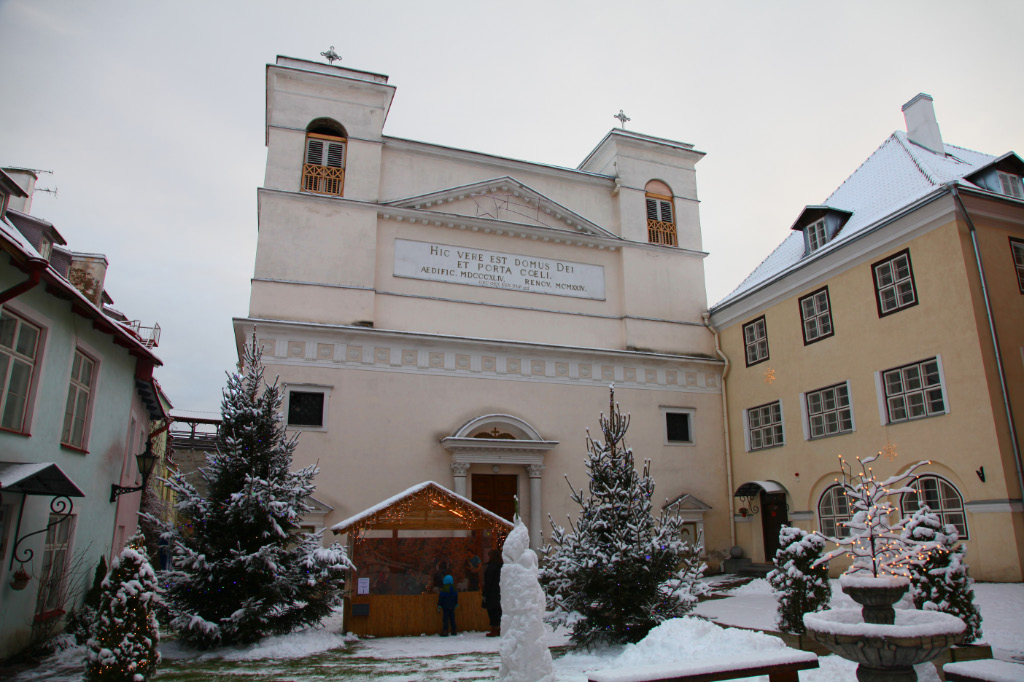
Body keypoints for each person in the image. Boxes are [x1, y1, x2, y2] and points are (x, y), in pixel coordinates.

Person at [482, 548, 503, 637]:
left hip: (492, 593)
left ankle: (494, 629)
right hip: (500, 592)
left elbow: (488, 582)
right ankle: (498, 629)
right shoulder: (501, 566)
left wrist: (484, 594)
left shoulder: (491, 567)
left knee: (492, 612)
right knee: (498, 611)